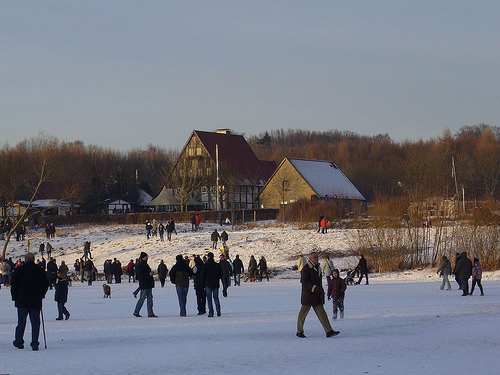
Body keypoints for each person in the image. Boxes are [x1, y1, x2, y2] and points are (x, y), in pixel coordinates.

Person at [11, 252, 49, 350]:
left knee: (21, 322)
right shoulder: (39, 270)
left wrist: (14, 297)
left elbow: (14, 284)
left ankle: (19, 341)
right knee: (35, 322)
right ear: (33, 259)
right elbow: (45, 284)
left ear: (25, 259)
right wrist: (42, 294)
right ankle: (35, 343)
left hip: (22, 300)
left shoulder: (19, 270)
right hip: (36, 300)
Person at [296, 252, 339, 339]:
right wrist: (314, 288)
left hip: (316, 295)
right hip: (308, 295)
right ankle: (299, 331)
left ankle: (329, 331)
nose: (316, 259)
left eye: (317, 257)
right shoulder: (306, 268)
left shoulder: (317, 267)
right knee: (303, 314)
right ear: (310, 259)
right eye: (314, 257)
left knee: (322, 313)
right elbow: (305, 281)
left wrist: (320, 291)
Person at [133, 252, 157, 317]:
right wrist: (149, 274)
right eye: (146, 256)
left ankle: (150, 313)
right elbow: (139, 276)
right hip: (144, 284)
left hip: (148, 284)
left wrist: (151, 274)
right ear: (143, 257)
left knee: (150, 299)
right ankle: (136, 311)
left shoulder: (145, 264)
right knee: (142, 299)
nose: (147, 257)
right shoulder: (140, 265)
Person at [201, 252, 222, 317]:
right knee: (216, 297)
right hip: (215, 283)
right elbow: (221, 274)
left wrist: (203, 284)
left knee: (209, 298)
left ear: (208, 257)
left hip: (208, 283)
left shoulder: (205, 265)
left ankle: (211, 312)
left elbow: (203, 275)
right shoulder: (217, 265)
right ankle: (218, 310)